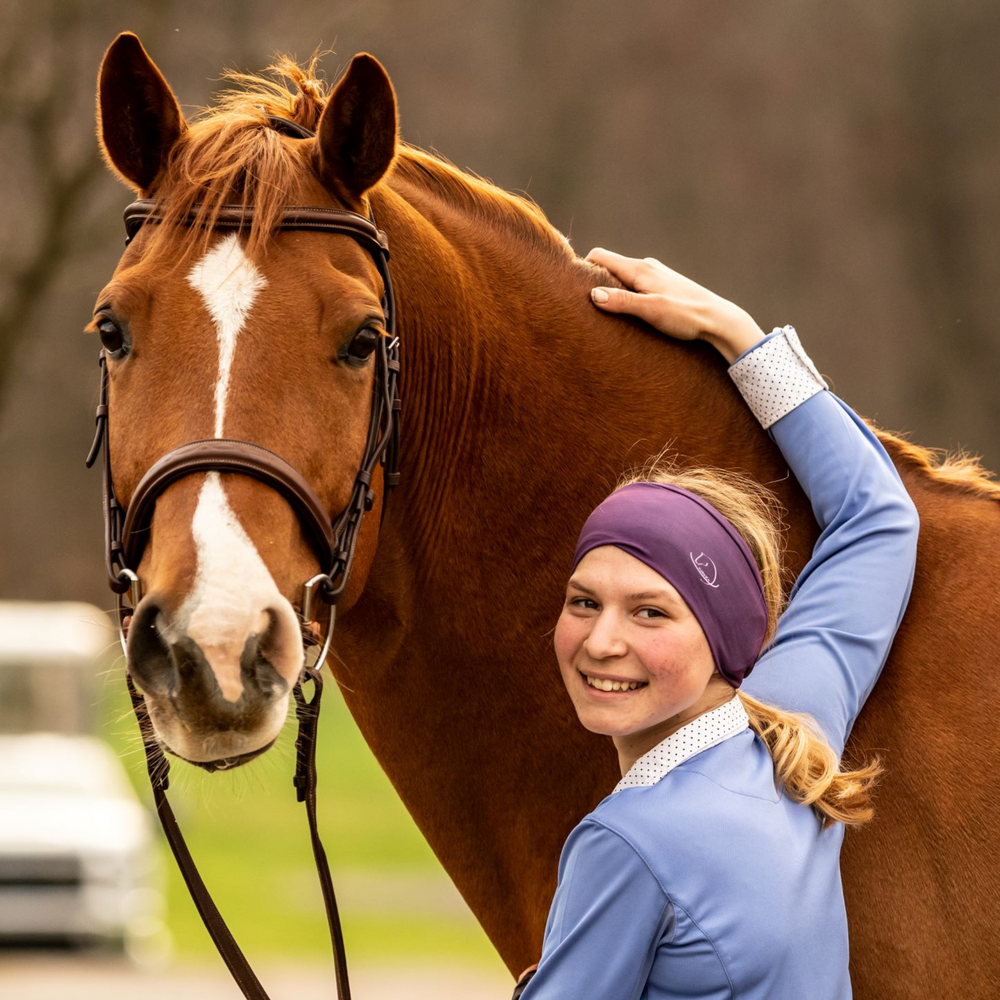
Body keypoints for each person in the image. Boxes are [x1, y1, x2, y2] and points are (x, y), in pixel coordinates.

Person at [512, 249, 920, 1000]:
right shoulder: (791, 733)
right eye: (584, 601)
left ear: (725, 636)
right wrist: (737, 334)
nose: (602, 640)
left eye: (651, 612)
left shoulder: (627, 844)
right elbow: (878, 517)